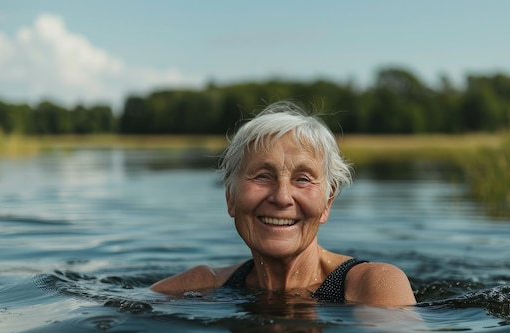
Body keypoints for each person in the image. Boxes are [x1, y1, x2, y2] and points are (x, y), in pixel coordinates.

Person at [150, 100, 416, 307]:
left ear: (327, 203)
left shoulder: (371, 283)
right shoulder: (205, 284)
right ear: (230, 197)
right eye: (262, 176)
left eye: (303, 179)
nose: (281, 197)